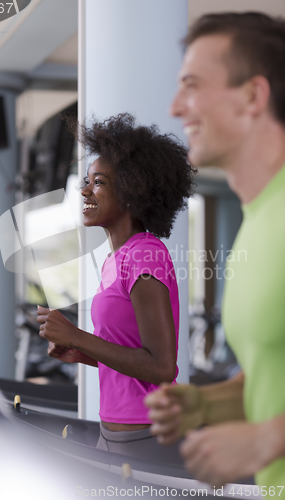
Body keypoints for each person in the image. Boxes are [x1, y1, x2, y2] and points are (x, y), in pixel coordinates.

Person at [145, 12, 285, 494]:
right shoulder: (260, 218)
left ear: (252, 96)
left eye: (192, 85)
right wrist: (208, 406)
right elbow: (271, 377)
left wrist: (269, 437)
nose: (175, 106)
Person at [37, 113, 195, 460]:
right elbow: (132, 358)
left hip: (148, 437)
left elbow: (161, 367)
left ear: (130, 193)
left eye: (99, 182)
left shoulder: (145, 255)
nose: (84, 190)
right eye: (86, 180)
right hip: (113, 433)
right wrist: (83, 353)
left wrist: (77, 336)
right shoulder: (116, 259)